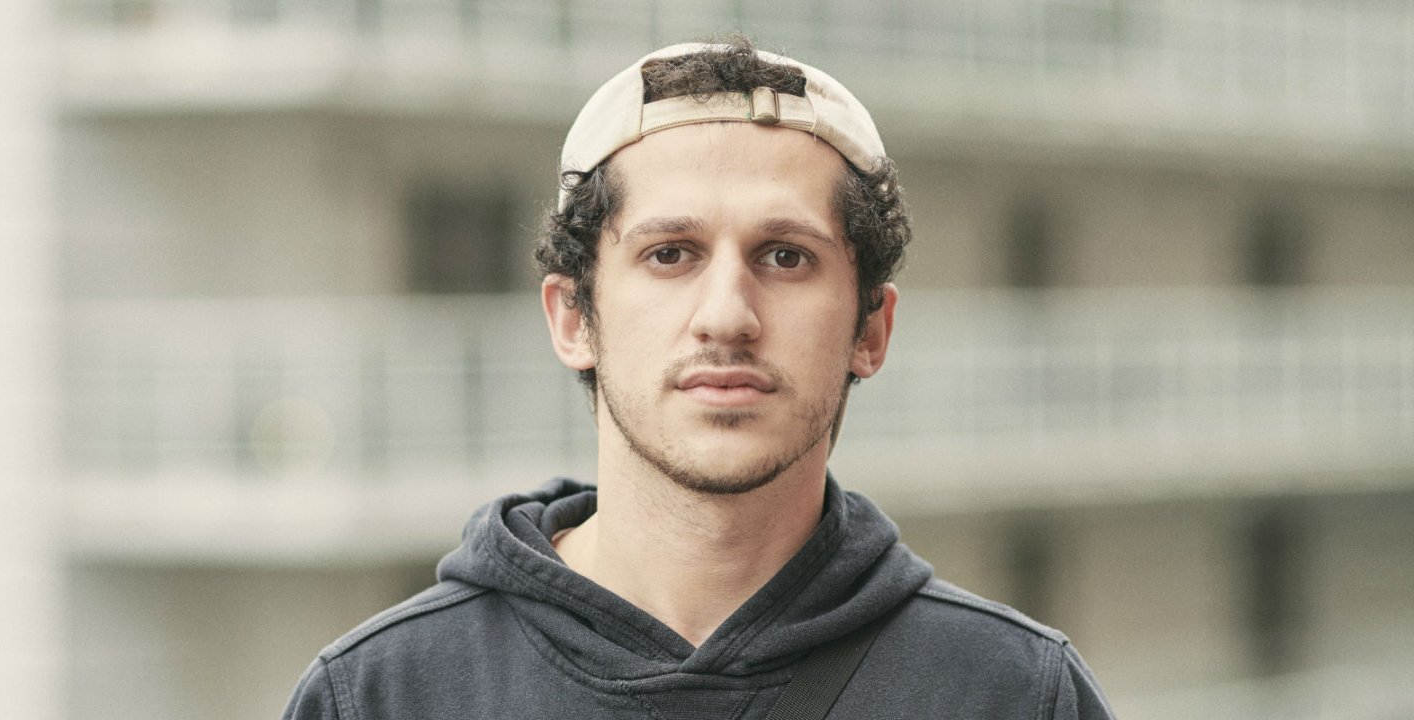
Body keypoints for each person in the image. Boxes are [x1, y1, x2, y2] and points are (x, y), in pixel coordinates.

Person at [283, 36, 1114, 719]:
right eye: (669, 254)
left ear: (870, 328)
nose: (727, 314)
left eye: (785, 257)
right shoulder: (383, 697)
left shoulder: (1012, 694)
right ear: (575, 318)